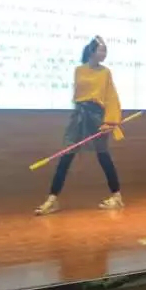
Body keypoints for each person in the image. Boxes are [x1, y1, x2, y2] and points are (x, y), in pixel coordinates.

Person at [35, 36, 124, 215]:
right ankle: (52, 199)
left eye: (105, 50)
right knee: (66, 155)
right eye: (101, 50)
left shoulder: (106, 72)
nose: (104, 53)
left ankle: (117, 196)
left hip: (98, 117)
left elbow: (111, 96)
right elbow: (79, 95)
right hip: (80, 116)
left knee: (103, 155)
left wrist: (109, 121)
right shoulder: (79, 70)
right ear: (91, 51)